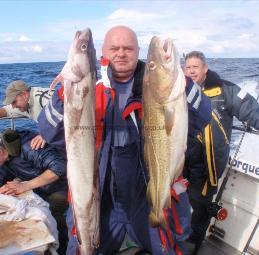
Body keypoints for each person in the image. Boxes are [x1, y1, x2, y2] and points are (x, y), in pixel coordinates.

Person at [38, 26, 210, 254]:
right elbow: (49, 132)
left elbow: (203, 116)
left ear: (137, 51)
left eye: (128, 48)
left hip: (148, 195)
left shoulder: (160, 85)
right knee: (82, 247)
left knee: (168, 248)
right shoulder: (90, 89)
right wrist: (66, 94)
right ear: (103, 52)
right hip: (102, 198)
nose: (121, 53)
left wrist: (180, 81)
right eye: (114, 48)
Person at [184, 50, 259, 254]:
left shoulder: (226, 90)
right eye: (187, 67)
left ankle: (191, 246)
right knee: (176, 204)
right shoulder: (178, 90)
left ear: (205, 69)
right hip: (181, 163)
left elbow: (252, 113)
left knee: (199, 209)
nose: (191, 71)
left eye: (195, 67)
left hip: (209, 168)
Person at [0, 129, 68, 255]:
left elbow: (60, 167)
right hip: (39, 191)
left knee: (50, 216)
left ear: (0, 151)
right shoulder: (6, 161)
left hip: (60, 188)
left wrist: (25, 186)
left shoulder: (29, 148)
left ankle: (61, 248)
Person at [0, 80, 53, 150]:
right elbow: (6, 111)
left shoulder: (44, 98)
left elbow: (63, 114)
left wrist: (45, 134)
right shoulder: (24, 103)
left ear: (24, 95)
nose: (13, 106)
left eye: (14, 102)